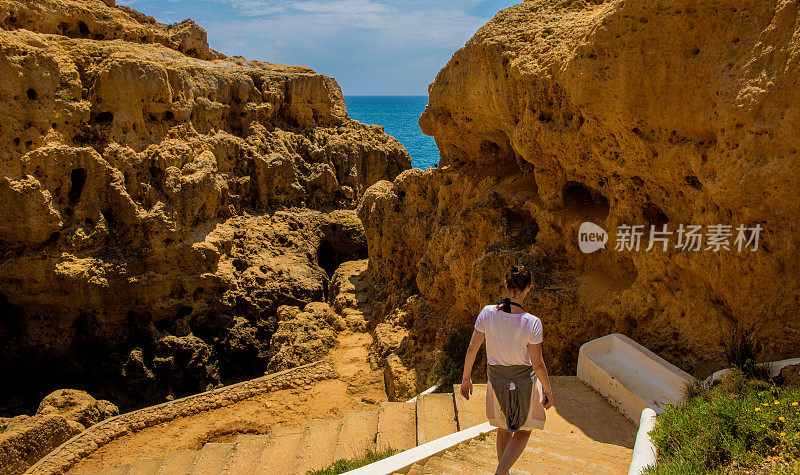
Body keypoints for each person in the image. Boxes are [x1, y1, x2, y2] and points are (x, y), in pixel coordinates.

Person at [460, 264, 554, 475]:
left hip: (497, 381)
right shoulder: (533, 323)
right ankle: (501, 472)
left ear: (505, 284)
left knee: (504, 427)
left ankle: (504, 471)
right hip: (525, 383)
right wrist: (548, 390)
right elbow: (537, 364)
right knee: (524, 430)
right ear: (529, 287)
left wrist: (466, 378)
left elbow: (472, 349)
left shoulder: (487, 313)